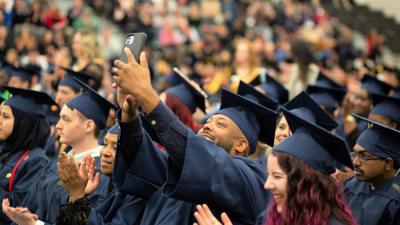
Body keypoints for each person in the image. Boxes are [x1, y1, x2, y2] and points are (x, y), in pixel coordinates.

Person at [111, 48, 278, 224]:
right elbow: (144, 158)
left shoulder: (249, 176)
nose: (207, 126)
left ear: (241, 145)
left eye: (220, 124)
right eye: (208, 122)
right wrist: (130, 116)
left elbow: (205, 159)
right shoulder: (183, 168)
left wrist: (147, 95)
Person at [194, 100, 357, 225]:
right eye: (281, 127)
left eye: (277, 176)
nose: (267, 184)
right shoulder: (270, 217)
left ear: (304, 180)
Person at [3, 124, 146, 225]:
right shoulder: (103, 183)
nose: (105, 152)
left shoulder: (138, 197)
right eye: (105, 144)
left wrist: (77, 196)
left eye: (115, 147)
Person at [35, 77, 115, 224]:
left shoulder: (100, 174)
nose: (58, 125)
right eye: (59, 118)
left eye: (66, 119)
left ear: (89, 126)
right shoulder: (59, 163)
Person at [0, 87, 55, 224]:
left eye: (5, 116)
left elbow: (18, 211)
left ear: (23, 124)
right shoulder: (6, 149)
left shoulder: (37, 162)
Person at [344, 114, 400, 225]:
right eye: (355, 154)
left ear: (388, 164)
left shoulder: (396, 202)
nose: (355, 162)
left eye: (364, 156)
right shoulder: (350, 185)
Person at [338, 75, 393, 148]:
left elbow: (354, 143)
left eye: (362, 99)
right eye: (356, 97)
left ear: (373, 103)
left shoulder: (372, 125)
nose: (357, 102)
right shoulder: (353, 115)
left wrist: (347, 116)